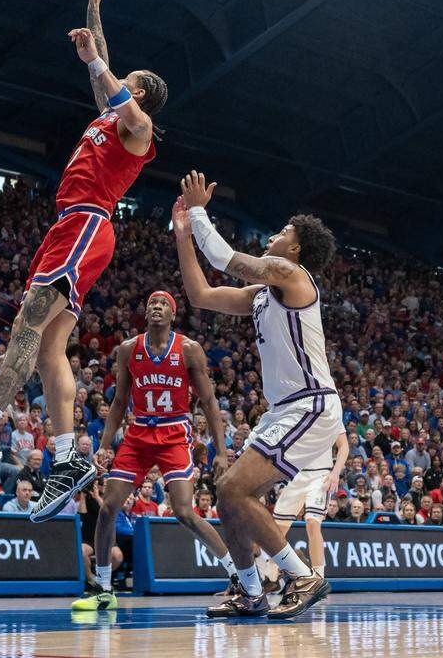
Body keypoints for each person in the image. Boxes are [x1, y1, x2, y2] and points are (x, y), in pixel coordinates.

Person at [0, 0, 169, 522]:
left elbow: (113, 89)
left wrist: (100, 64)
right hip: (73, 227)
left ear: (140, 94)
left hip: (86, 224)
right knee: (52, 349)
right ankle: (66, 457)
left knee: (27, 326)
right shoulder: (111, 112)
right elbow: (100, 63)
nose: (114, 80)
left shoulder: (138, 127)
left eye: (126, 80)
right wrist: (94, 4)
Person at [173, 176, 340, 620]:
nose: (273, 235)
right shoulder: (264, 294)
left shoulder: (292, 275)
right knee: (228, 495)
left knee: (234, 488)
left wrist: (197, 211)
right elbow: (201, 296)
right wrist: (182, 236)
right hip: (284, 410)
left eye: (284, 232)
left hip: (311, 403)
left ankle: (301, 575)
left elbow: (228, 260)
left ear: (297, 249)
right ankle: (250, 590)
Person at [72, 291, 233, 611]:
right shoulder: (129, 349)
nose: (156, 308)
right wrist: (105, 445)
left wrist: (222, 451)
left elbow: (210, 402)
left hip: (174, 432)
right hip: (139, 433)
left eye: (162, 305)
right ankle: (104, 588)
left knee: (185, 512)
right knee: (107, 508)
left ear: (173, 314)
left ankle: (237, 573)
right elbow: (118, 401)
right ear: (145, 314)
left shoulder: (189, 349)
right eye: (151, 305)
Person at [271, 433, 349, 579]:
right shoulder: (295, 413)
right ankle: (271, 576)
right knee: (277, 530)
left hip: (321, 475)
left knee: (312, 522)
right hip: (296, 474)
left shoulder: (331, 411)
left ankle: (318, 578)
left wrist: (335, 473)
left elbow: (343, 445)